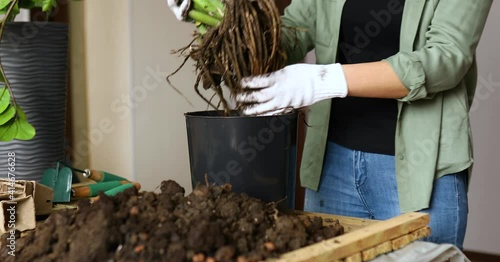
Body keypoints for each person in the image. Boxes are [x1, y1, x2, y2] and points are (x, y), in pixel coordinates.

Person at [167, 0, 493, 249]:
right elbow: (287, 36)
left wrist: (327, 79)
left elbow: (447, 59)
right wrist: (217, 18)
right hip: (332, 170)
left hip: (421, 176)